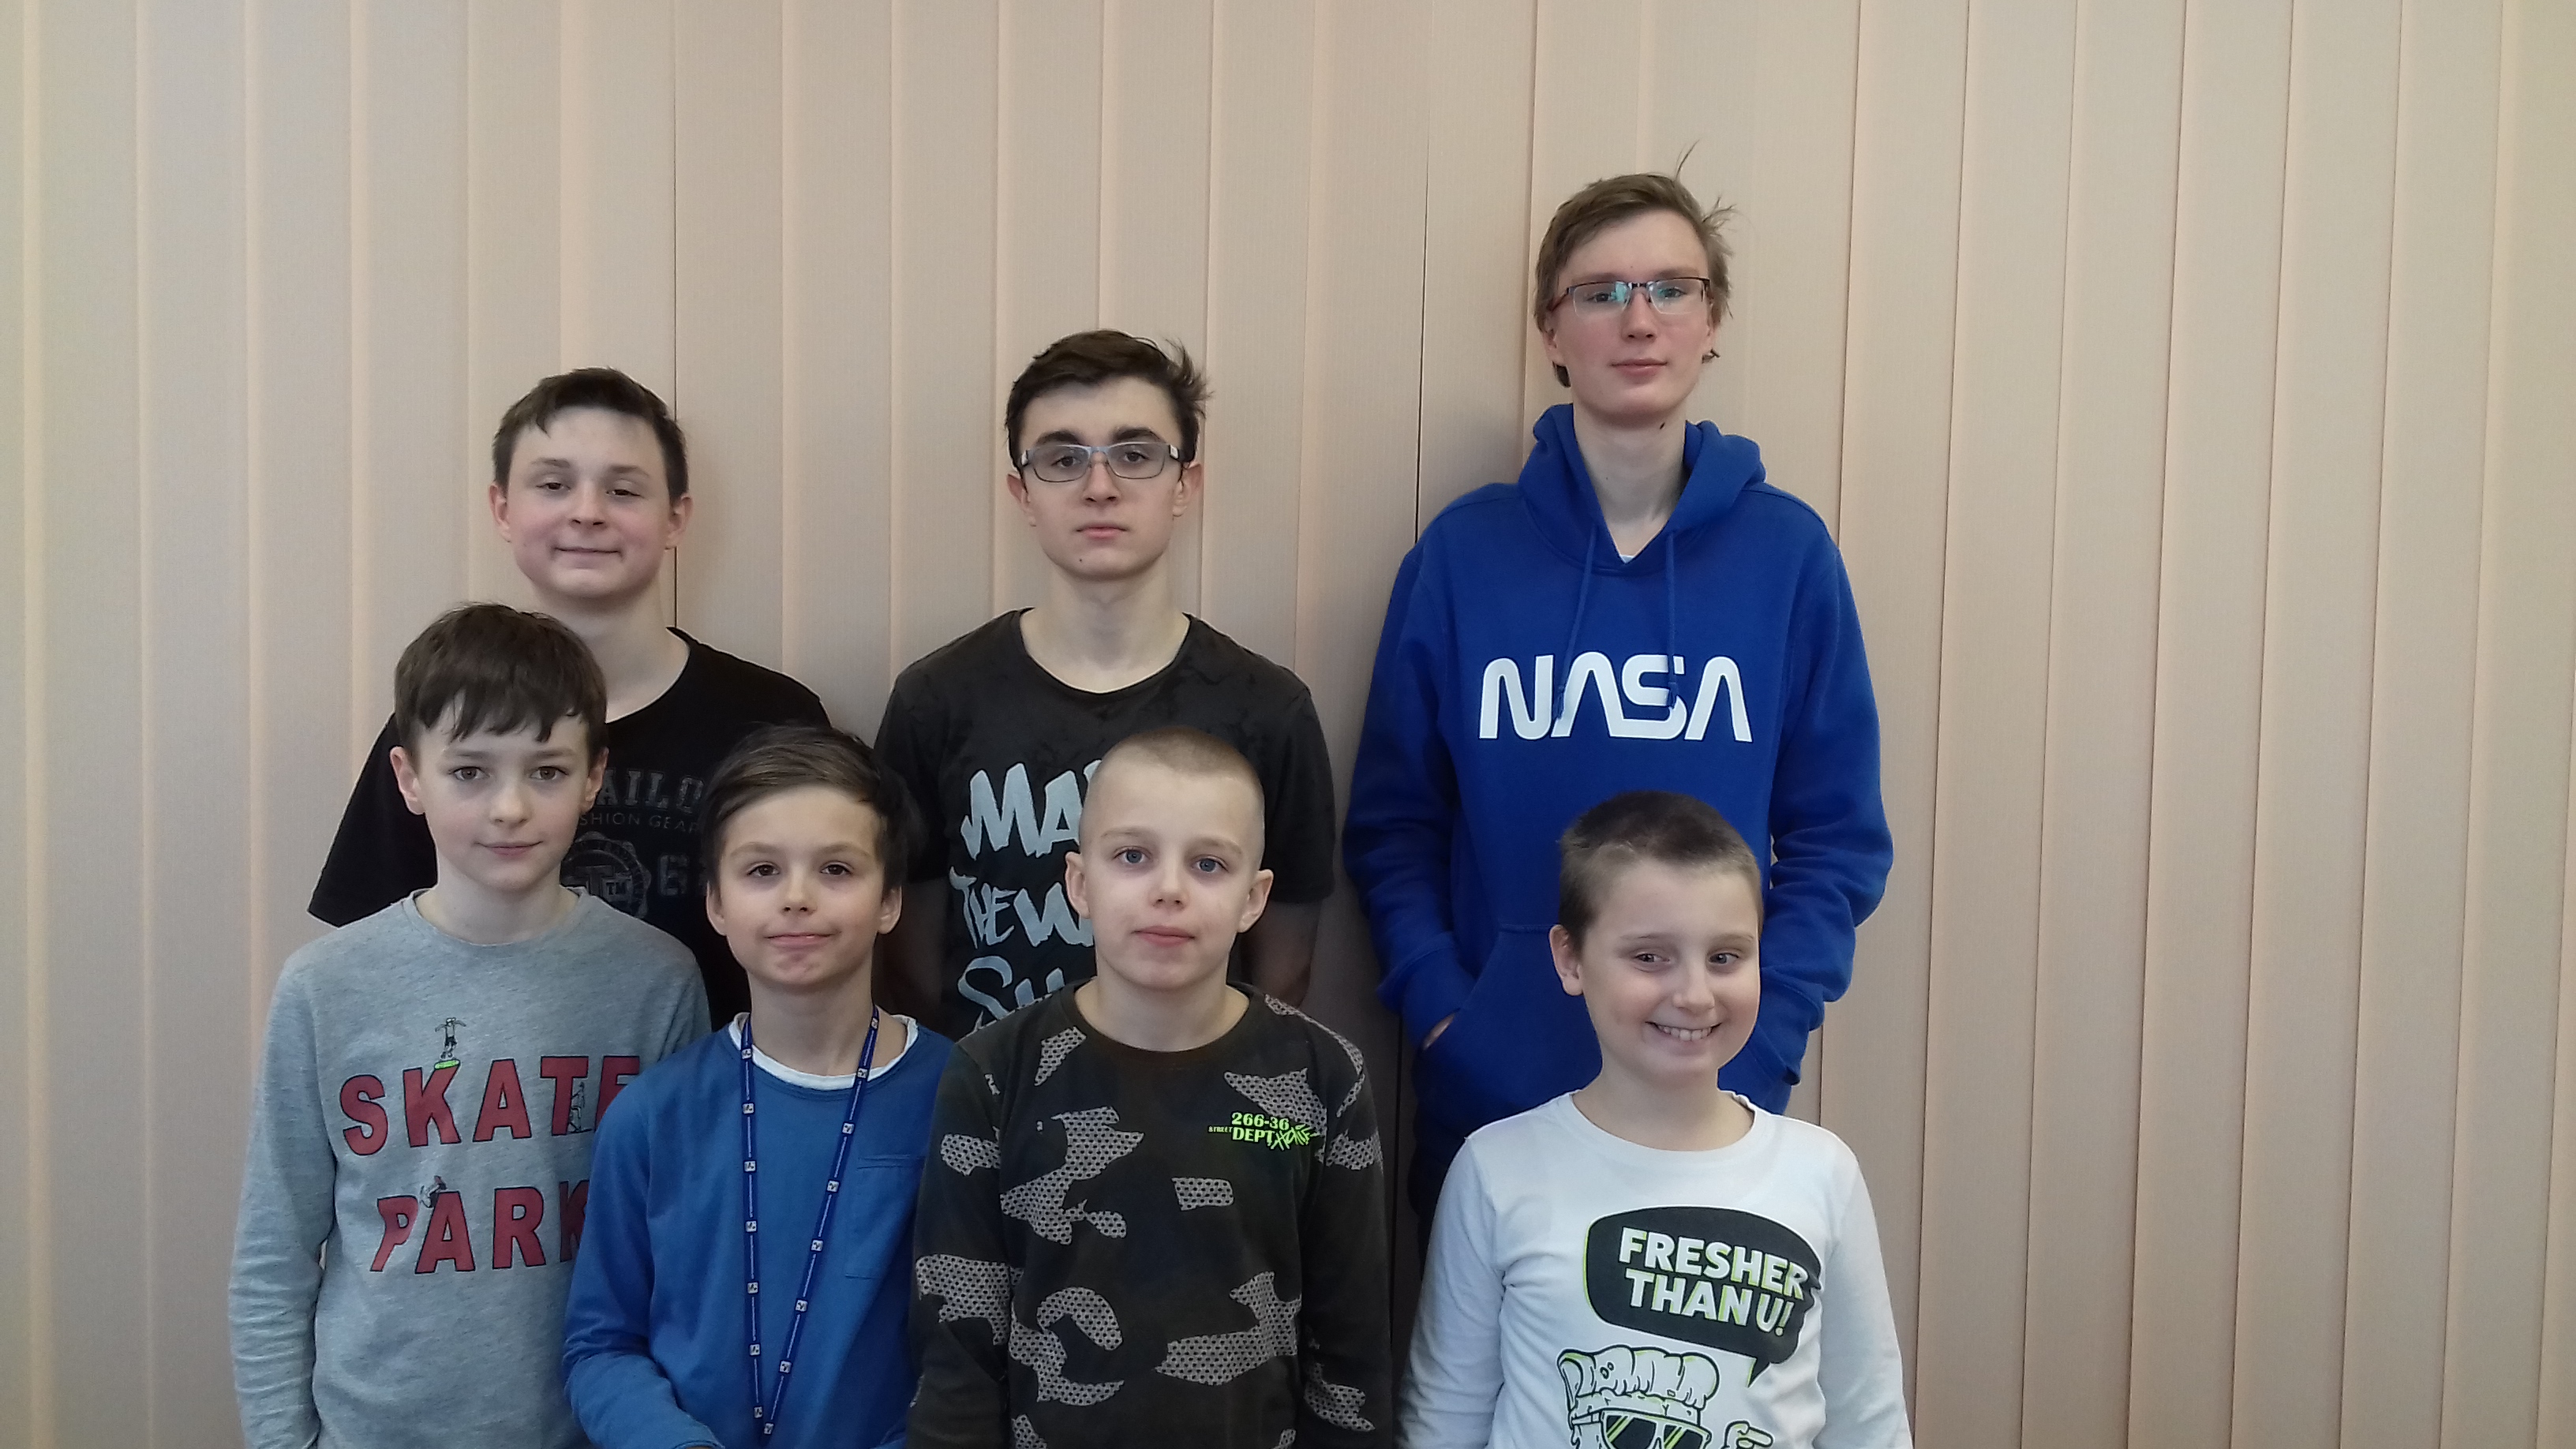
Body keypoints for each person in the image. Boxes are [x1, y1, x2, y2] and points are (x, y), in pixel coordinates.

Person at [1344, 171, 1892, 1215]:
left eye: (1672, 289)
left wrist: (1763, 1033)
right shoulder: (1465, 555)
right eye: (1600, 293)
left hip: (1713, 1104)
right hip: (1491, 1105)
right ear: (1551, 330)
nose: (1639, 321)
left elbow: (1838, 839)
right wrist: (1449, 1016)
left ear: (1712, 322)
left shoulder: (1787, 557)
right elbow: (1393, 824)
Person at [228, 604, 708, 1449]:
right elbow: (274, 1254)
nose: (510, 807)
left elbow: (682, 1250)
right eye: (470, 772)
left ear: (595, 776)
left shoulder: (657, 982)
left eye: (547, 771)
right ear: (409, 778)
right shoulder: (324, 988)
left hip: (587, 1429)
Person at [907, 728, 1390, 1448]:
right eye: (1133, 856)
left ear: (1254, 898)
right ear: (1079, 884)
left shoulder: (1323, 1077)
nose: (1169, 889)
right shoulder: (991, 1071)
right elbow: (958, 1352)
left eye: (1208, 864)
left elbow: (1351, 1347)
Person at [309, 368, 831, 1025]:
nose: (587, 511)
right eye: (553, 485)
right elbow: (372, 959)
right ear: (503, 509)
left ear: (675, 518)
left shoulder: (775, 719)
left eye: (623, 490)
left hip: (724, 1082)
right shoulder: (446, 718)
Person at [1403, 791, 1910, 1449]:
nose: (1694, 994)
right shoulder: (1497, 1169)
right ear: (1570, 959)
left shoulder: (1821, 1173)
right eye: (1650, 957)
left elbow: (1869, 1420)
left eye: (1725, 957)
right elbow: (1444, 1418)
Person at [875, 331, 1336, 1038]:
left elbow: (1285, 972)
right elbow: (907, 966)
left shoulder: (1269, 711)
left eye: (1135, 455)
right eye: (1063, 459)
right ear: (1023, 493)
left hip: (1194, 1092)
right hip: (988, 1092)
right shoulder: (936, 700)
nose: (1099, 486)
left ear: (1185, 485)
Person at [564, 725, 953, 1449]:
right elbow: (601, 1345)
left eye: (836, 869)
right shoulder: (652, 1116)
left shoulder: (964, 1101)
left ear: (890, 900)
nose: (797, 898)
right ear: (716, 903)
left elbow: (981, 1354)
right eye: (762, 870)